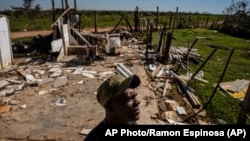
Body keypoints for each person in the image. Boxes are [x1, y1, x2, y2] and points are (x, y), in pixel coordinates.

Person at [84, 74, 141, 141]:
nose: (137, 102)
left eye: (134, 96)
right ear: (109, 106)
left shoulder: (130, 122)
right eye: (128, 99)